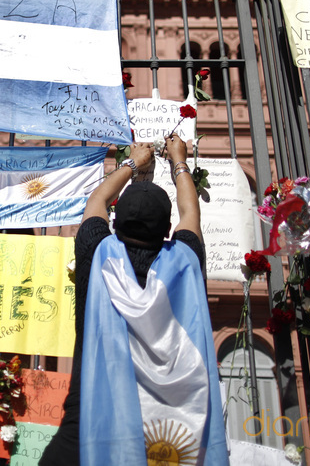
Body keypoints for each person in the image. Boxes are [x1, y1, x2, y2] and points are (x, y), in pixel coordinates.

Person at [41, 135, 227, 466]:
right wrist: (178, 160)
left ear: (115, 221)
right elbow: (190, 210)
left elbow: (97, 199)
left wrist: (133, 163)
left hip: (84, 430)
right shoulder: (184, 260)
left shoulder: (97, 254)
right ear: (168, 229)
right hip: (164, 439)